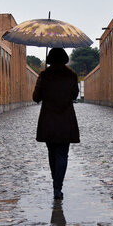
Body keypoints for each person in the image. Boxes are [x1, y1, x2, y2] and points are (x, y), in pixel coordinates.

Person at [32, 48, 80, 199]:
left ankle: (55, 183)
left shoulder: (45, 75)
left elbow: (36, 97)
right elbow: (74, 95)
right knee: (62, 154)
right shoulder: (71, 75)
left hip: (49, 120)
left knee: (52, 153)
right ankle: (58, 187)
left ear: (50, 59)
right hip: (66, 120)